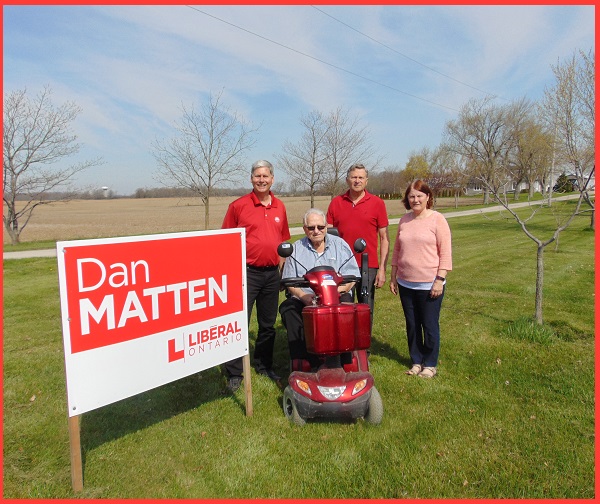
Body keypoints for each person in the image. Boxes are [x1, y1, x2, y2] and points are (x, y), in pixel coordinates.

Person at [221, 160, 290, 392]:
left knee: (267, 324)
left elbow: (283, 242)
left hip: (271, 275)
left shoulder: (280, 206)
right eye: (257, 176)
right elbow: (226, 242)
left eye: (266, 176)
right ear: (251, 179)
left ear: (272, 179)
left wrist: (282, 272)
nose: (262, 180)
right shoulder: (238, 206)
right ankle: (233, 371)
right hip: (246, 274)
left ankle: (263, 365)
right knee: (238, 324)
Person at [279, 208, 360, 368]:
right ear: (304, 229)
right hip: (307, 297)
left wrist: (337, 291)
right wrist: (303, 297)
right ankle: (303, 361)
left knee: (347, 307)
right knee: (288, 308)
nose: (316, 231)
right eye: (311, 228)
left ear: (326, 226)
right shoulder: (296, 249)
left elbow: (353, 276)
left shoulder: (340, 245)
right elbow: (289, 282)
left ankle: (344, 359)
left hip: (337, 294)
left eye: (320, 227)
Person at [389, 180, 452, 379]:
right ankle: (416, 361)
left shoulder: (437, 219)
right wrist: (393, 275)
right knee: (413, 324)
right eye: (411, 196)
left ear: (428, 197)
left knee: (429, 324)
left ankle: (430, 364)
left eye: (419, 196)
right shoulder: (404, 220)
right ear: (407, 199)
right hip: (406, 282)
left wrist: (439, 279)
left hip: (429, 283)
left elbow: (446, 252)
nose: (415, 200)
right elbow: (398, 249)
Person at [326, 163, 389, 321]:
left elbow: (384, 238)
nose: (357, 181)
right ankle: (344, 343)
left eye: (361, 177)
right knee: (343, 307)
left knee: (366, 308)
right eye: (354, 177)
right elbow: (326, 235)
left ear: (366, 181)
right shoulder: (336, 202)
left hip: (368, 265)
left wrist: (382, 269)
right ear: (347, 180)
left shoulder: (377, 203)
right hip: (342, 265)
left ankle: (363, 343)